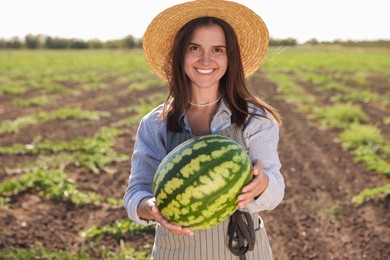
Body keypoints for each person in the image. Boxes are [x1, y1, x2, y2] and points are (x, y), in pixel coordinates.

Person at [123, 0, 285, 259]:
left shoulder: (255, 118)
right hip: (174, 252)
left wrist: (262, 184)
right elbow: (136, 192)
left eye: (218, 49)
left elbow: (276, 188)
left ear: (230, 56)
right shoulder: (156, 123)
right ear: (180, 54)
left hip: (242, 251)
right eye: (194, 48)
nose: (205, 59)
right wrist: (151, 207)